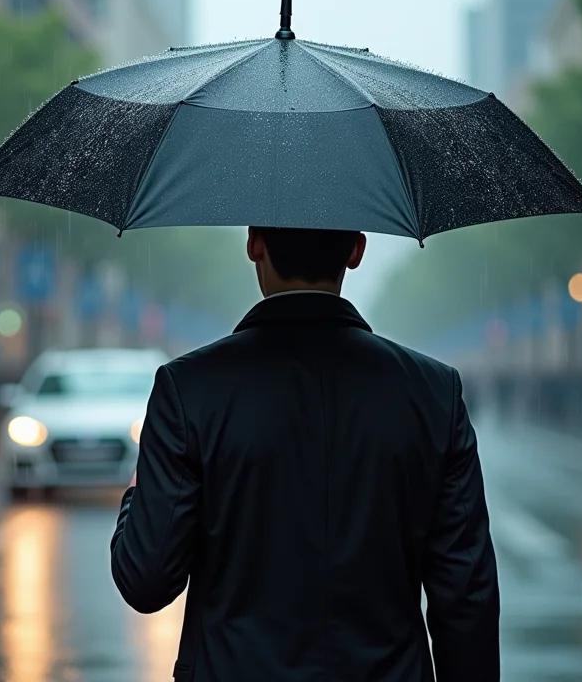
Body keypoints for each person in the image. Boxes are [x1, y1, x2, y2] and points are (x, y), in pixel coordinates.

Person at [110, 227, 499, 681]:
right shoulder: (433, 393)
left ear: (254, 244)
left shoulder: (190, 389)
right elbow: (466, 600)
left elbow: (146, 580)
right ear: (356, 250)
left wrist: (137, 496)